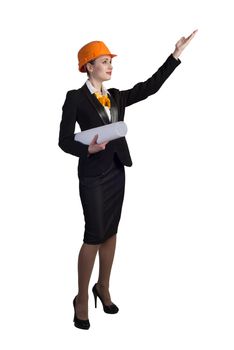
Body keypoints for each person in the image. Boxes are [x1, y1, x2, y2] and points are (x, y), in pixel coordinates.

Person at [58, 30, 198, 330]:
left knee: (110, 232)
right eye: (104, 61)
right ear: (88, 66)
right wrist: (88, 148)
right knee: (93, 234)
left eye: (111, 61)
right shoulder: (74, 98)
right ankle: (81, 298)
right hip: (93, 175)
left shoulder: (116, 96)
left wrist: (175, 56)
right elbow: (63, 141)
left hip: (116, 172)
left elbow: (150, 88)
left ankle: (103, 288)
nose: (110, 66)